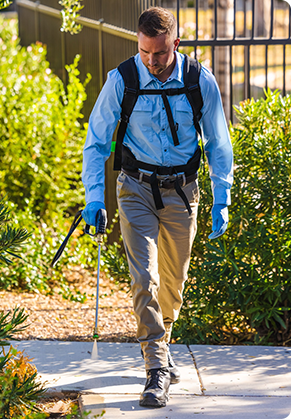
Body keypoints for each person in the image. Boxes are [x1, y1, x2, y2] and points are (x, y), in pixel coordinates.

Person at [81, 7, 233, 408]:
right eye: (145, 52)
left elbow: (219, 142)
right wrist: (94, 197)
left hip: (182, 193)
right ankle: (157, 366)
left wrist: (223, 199)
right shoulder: (123, 80)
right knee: (143, 279)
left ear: (175, 44)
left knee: (173, 284)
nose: (151, 61)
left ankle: (160, 343)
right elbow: (96, 142)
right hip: (136, 189)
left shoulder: (200, 81)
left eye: (160, 53)